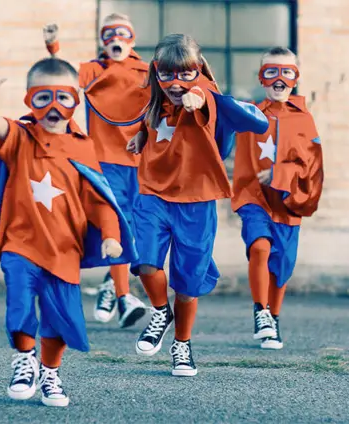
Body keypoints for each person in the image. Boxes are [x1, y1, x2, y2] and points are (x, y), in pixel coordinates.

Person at [0, 56, 136, 406]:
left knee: (60, 316)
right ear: (30, 99)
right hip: (21, 243)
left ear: (75, 100)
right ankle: (23, 359)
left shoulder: (82, 144)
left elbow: (98, 198)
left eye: (64, 97)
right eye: (43, 98)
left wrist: (110, 234)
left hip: (64, 248)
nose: (54, 108)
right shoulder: (21, 136)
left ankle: (50, 372)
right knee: (19, 304)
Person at [125, 34, 267, 377]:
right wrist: (140, 135)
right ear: (157, 72)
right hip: (153, 194)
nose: (177, 83)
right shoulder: (156, 101)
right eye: (168, 74)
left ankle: (182, 344)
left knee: (188, 284)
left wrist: (199, 97)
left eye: (186, 74)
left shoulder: (205, 98)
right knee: (145, 263)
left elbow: (251, 121)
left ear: (198, 70)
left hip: (196, 201)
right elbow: (153, 122)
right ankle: (160, 310)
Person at [42, 13, 153, 329]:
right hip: (105, 161)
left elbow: (160, 106)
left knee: (136, 231)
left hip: (141, 162)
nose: (115, 39)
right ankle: (123, 296)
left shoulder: (146, 71)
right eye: (109, 34)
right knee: (115, 224)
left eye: (121, 33)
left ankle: (109, 284)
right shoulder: (93, 70)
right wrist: (53, 47)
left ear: (131, 39)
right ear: (103, 41)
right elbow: (61, 77)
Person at [230, 47, 325, 350]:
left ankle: (274, 316)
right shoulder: (251, 115)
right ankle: (261, 311)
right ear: (262, 77)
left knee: (282, 263)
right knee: (259, 246)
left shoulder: (304, 120)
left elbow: (312, 166)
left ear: (296, 78)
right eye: (272, 72)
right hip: (253, 196)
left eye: (288, 72)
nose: (280, 79)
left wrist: (280, 175)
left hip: (287, 200)